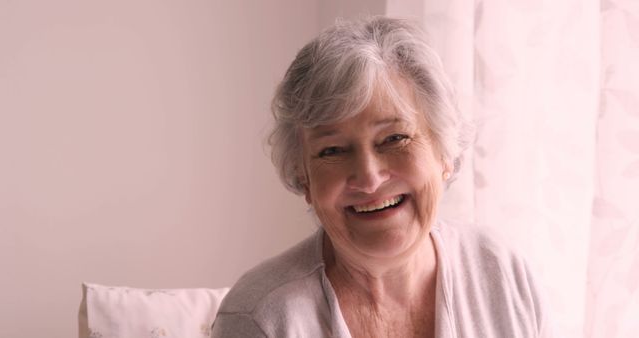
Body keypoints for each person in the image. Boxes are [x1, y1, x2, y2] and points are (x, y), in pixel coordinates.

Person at [211, 16, 549, 338]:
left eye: (394, 139)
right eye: (332, 151)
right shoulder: (261, 318)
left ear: (444, 153)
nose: (370, 179)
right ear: (305, 180)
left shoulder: (501, 272)